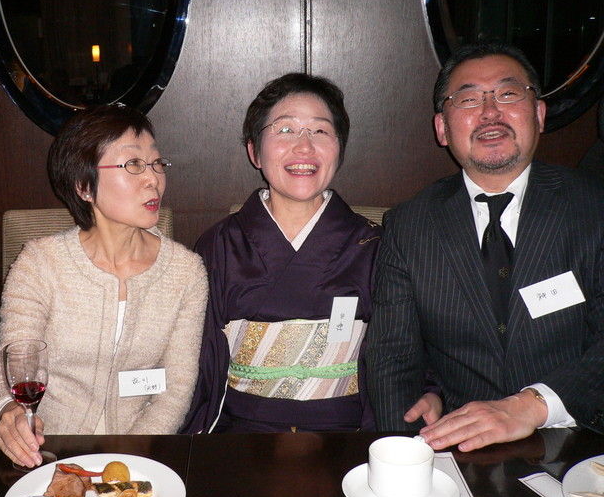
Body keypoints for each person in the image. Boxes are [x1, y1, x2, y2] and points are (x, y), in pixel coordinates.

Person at [366, 41, 604, 451]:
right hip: (458, 449)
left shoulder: (594, 208)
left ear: (539, 114)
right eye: (469, 99)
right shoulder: (409, 225)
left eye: (508, 94)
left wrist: (533, 406)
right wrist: (408, 454)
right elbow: (393, 358)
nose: (490, 112)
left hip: (578, 443)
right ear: (442, 128)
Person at [0, 105, 207, 467]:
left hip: (139, 452)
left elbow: (176, 388)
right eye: (133, 164)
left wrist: (128, 458)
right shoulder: (39, 263)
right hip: (47, 447)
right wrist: (7, 412)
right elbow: (10, 364)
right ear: (84, 186)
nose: (152, 179)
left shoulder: (186, 272)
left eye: (156, 163)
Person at [180, 73, 380, 433]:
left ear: (339, 149)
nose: (304, 147)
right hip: (241, 436)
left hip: (347, 435)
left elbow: (400, 357)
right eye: (285, 130)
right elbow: (201, 366)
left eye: (320, 131)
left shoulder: (375, 245)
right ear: (254, 151)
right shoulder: (218, 245)